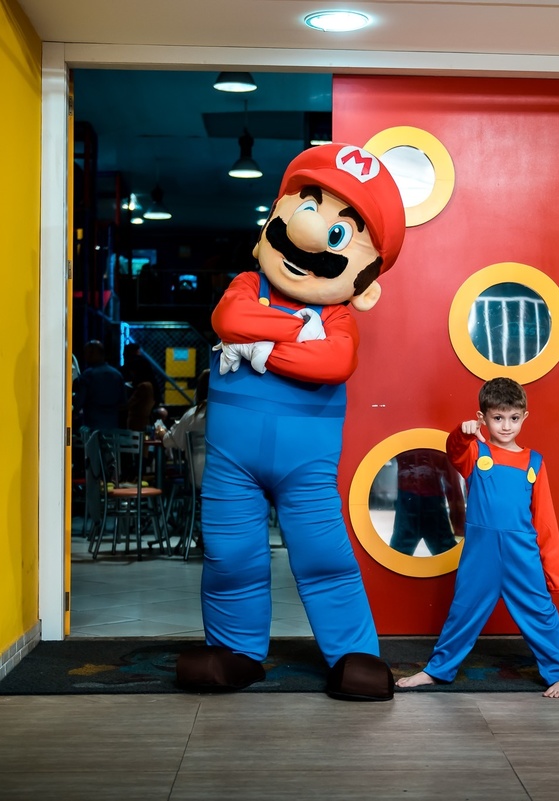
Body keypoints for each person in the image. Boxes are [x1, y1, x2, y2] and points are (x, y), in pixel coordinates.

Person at [175, 143, 407, 701]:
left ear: (367, 283)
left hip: (306, 469)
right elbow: (229, 319)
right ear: (268, 227)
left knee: (324, 557)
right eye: (304, 205)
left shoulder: (340, 315)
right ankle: (235, 654)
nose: (306, 234)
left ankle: (354, 656)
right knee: (230, 555)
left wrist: (258, 348)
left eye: (339, 235)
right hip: (232, 464)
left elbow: (334, 361)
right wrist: (294, 332)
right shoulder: (245, 287)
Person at [396, 377, 559, 699]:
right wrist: (461, 432)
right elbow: (453, 451)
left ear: (524, 417)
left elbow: (545, 521)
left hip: (522, 553)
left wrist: (554, 573)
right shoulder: (474, 452)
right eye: (497, 418)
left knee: (540, 612)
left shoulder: (534, 462)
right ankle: (437, 670)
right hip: (481, 553)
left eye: (513, 418)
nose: (506, 426)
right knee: (463, 610)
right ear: (483, 418)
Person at [388, 449, 464, 556]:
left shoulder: (405, 444)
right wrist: (459, 524)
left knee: (400, 550)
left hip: (417, 499)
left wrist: (459, 524)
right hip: (423, 499)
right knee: (444, 549)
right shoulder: (438, 448)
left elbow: (452, 485)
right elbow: (452, 485)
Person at [162, 369, 209, 485]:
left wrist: (161, 432)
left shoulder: (192, 415)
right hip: (231, 484)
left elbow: (168, 442)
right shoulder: (234, 416)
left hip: (198, 480)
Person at [74, 340, 127, 432]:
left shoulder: (88, 374)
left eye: (87, 353)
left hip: (92, 427)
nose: (85, 356)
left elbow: (80, 401)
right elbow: (123, 402)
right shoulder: (117, 374)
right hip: (112, 427)